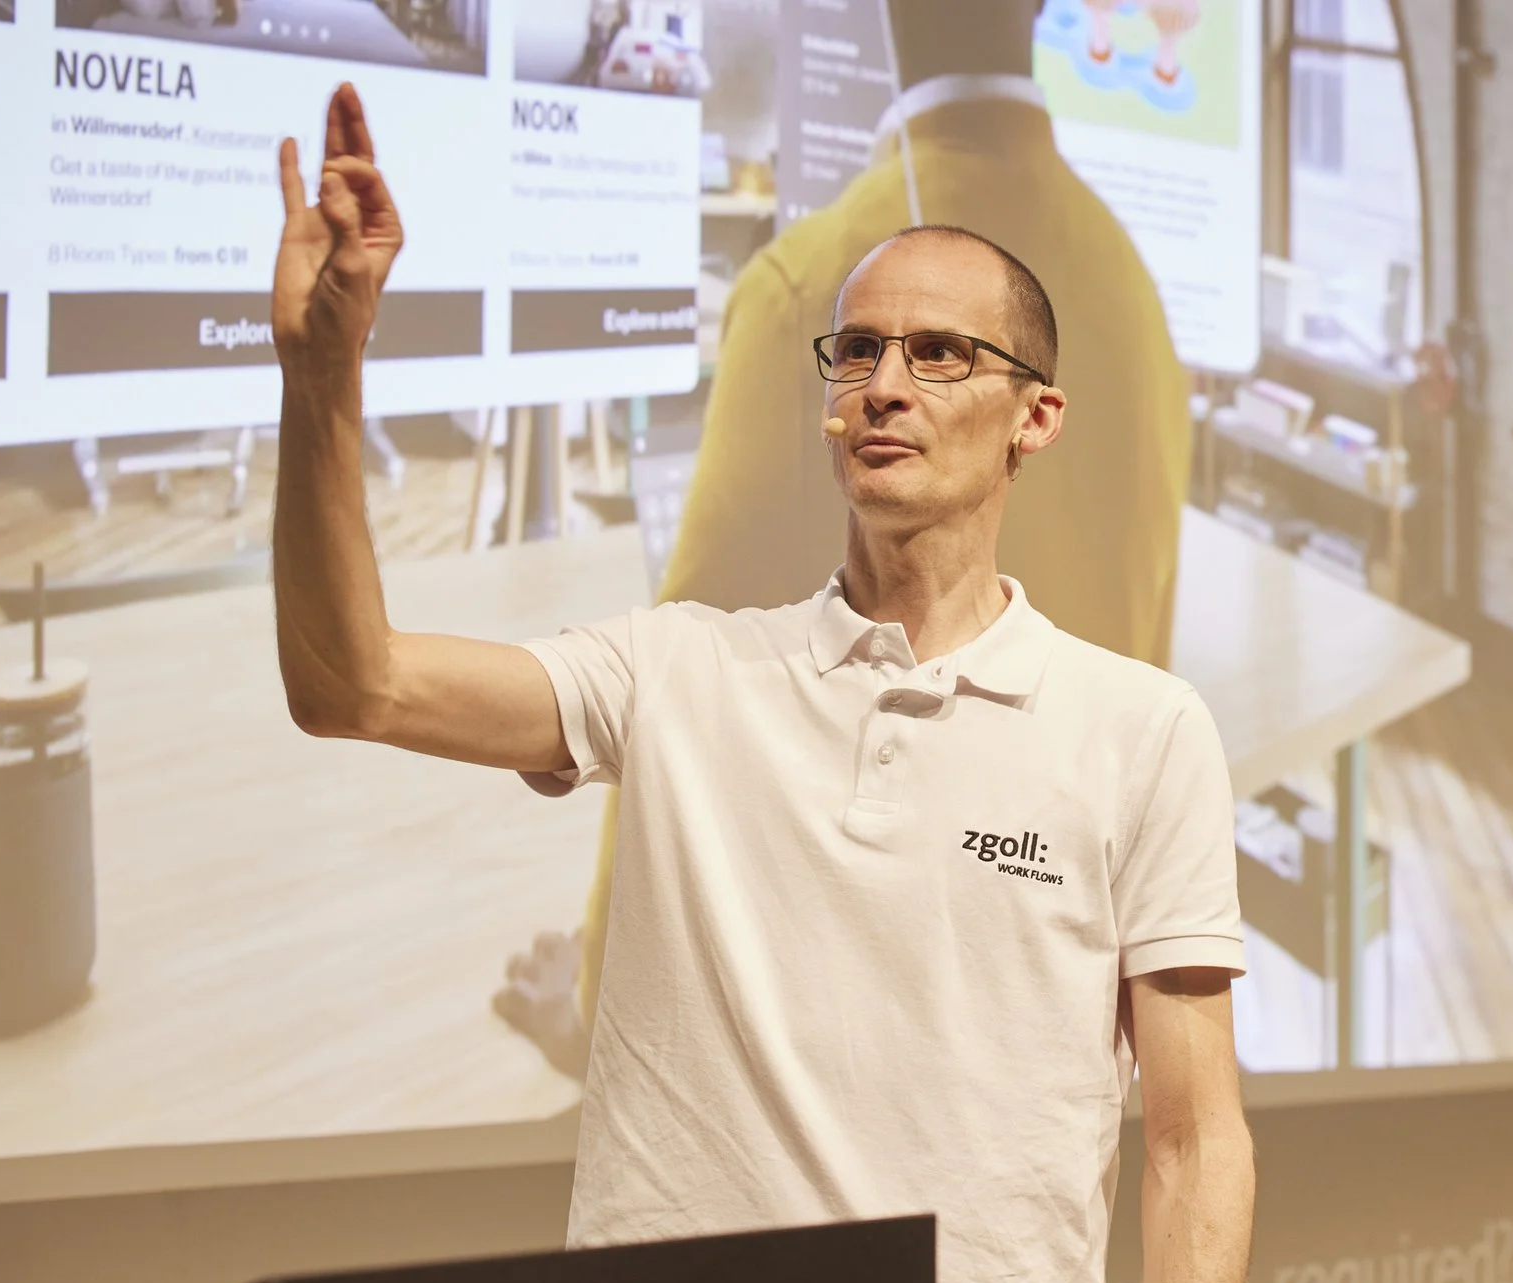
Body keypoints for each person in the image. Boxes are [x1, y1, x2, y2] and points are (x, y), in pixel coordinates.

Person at [270, 84, 1252, 1283]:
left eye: (942, 354)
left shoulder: (1139, 730)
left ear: (1037, 415)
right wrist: (323, 375)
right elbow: (353, 682)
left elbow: (1198, 1140)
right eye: (856, 351)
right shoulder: (678, 673)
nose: (886, 383)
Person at [495, 0, 1192, 1069]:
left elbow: (678, 697)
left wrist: (596, 1003)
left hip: (856, 1020)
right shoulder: (1134, 288)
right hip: (1054, 999)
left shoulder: (810, 293)